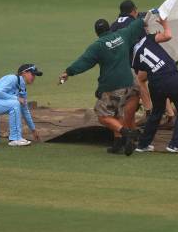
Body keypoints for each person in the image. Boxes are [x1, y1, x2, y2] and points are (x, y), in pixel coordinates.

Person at [60, 17, 144, 156]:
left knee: (102, 115)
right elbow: (136, 25)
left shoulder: (98, 45)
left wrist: (68, 72)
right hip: (131, 83)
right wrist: (148, 15)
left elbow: (84, 61)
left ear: (96, 32)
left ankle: (127, 134)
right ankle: (118, 143)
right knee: (119, 111)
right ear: (109, 28)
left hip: (114, 85)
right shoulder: (122, 35)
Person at [132, 15, 178, 153]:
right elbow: (168, 35)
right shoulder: (150, 38)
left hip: (155, 83)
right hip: (171, 78)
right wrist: (165, 24)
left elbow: (142, 74)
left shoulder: (134, 53)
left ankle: (143, 145)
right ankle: (175, 145)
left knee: (156, 113)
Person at [110, 0, 153, 120]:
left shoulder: (113, 24)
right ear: (133, 11)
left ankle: (122, 114)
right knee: (140, 83)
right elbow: (145, 42)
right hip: (133, 62)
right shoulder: (135, 23)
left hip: (116, 64)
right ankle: (149, 112)